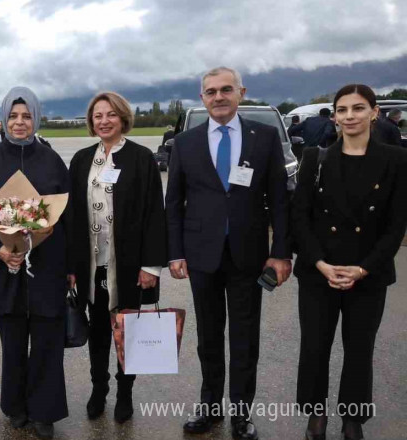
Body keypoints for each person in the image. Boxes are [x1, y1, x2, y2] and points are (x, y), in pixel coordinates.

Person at [166, 66, 291, 440]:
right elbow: (173, 203)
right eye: (210, 92)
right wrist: (175, 252)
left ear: (241, 92)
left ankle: (241, 411)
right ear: (201, 98)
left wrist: (280, 252)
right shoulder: (185, 143)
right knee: (208, 335)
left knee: (244, 335)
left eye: (226, 90)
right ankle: (209, 405)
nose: (218, 97)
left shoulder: (264, 137)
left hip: (248, 255)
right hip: (201, 254)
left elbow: (280, 201)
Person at [291, 84, 407, 440]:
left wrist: (363, 268)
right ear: (335, 117)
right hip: (319, 272)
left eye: (358, 109)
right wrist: (321, 264)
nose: (349, 116)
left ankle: (353, 416)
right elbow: (301, 218)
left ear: (374, 112)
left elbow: (396, 224)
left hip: (367, 273)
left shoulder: (397, 159)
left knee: (359, 349)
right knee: (314, 346)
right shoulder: (315, 158)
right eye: (342, 110)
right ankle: (315, 415)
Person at [0, 86, 74, 440]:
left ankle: (45, 411)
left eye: (27, 116)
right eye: (13, 115)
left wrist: (68, 265)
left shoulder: (52, 160)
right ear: (3, 118)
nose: (19, 122)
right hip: (5, 267)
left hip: (47, 266)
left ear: (37, 118)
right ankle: (15, 405)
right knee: (12, 342)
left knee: (46, 341)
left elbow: (66, 217)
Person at [68, 92, 167, 423]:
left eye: (110, 114)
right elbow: (71, 218)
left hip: (128, 266)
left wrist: (151, 266)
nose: (104, 121)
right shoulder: (81, 160)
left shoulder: (141, 158)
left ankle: (125, 393)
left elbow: (155, 213)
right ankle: (100, 389)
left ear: (123, 117)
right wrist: (71, 267)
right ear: (90, 121)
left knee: (129, 332)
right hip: (92, 266)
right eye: (97, 116)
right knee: (97, 333)